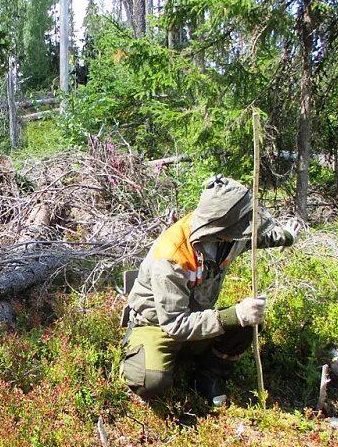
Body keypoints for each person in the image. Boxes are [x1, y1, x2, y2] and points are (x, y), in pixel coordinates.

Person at [120, 174, 300, 406]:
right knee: (150, 381)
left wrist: (286, 236)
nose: (246, 231)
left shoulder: (229, 236)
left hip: (194, 317)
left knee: (248, 323)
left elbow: (256, 238)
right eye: (243, 225)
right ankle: (143, 357)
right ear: (221, 227)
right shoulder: (172, 256)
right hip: (157, 324)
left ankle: (208, 375)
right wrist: (234, 314)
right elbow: (174, 323)